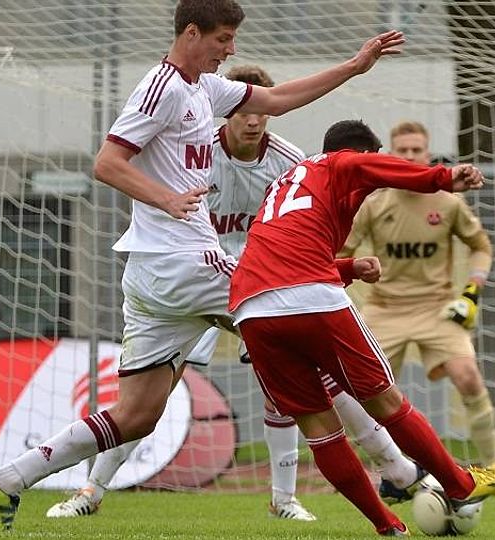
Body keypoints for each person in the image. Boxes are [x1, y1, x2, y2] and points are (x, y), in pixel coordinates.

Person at [0, 1, 407, 532]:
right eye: (223, 38)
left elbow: (276, 99)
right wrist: (167, 199)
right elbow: (107, 162)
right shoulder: (162, 88)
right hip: (185, 260)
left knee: (137, 415)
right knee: (305, 333)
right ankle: (402, 472)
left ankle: (7, 479)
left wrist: (353, 67)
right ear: (192, 33)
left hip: (157, 276)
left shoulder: (205, 88)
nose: (231, 48)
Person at [44, 66, 426, 522]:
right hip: (200, 277)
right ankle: (91, 490)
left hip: (263, 282)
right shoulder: (193, 155)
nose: (253, 119)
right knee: (150, 397)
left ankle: (293, 496)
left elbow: (309, 228)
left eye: (260, 111)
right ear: (225, 112)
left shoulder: (289, 162)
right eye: (243, 110)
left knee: (306, 376)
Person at [229, 119, 495, 536]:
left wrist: (348, 267)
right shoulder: (339, 163)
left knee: (318, 427)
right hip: (314, 299)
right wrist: (444, 178)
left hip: (251, 308)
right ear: (360, 153)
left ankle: (388, 525)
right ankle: (460, 484)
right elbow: (369, 169)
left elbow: (289, 250)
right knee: (386, 401)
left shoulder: (288, 184)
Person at [339, 121, 495, 477]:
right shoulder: (374, 202)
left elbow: (481, 247)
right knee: (364, 394)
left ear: (428, 154)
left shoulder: (448, 201)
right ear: (391, 155)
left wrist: (471, 292)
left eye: (417, 150)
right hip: (385, 309)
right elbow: (340, 253)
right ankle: (368, 476)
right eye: (403, 150)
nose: (410, 156)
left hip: (437, 308)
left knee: (468, 377)